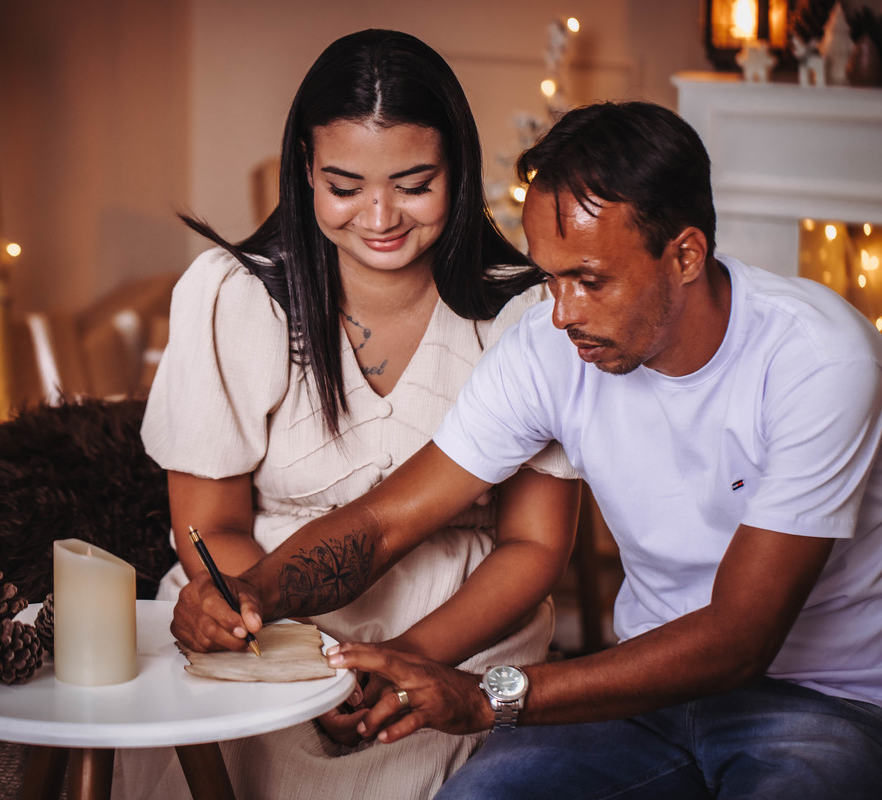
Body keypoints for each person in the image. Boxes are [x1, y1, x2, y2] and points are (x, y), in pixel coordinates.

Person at [174, 100, 882, 799]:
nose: (562, 311)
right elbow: (386, 522)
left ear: (684, 255)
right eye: (549, 279)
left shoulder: (820, 361)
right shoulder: (551, 345)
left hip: (831, 705)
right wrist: (254, 591)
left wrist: (487, 697)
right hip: (644, 702)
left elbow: (740, 638)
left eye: (590, 280)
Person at [116, 29, 580, 800]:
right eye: (345, 185)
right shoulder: (232, 296)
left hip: (461, 628)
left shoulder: (528, 313)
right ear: (305, 168)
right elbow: (209, 527)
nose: (380, 215)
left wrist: (409, 658)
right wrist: (305, 658)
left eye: (414, 183)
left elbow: (533, 545)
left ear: (458, 169)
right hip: (263, 620)